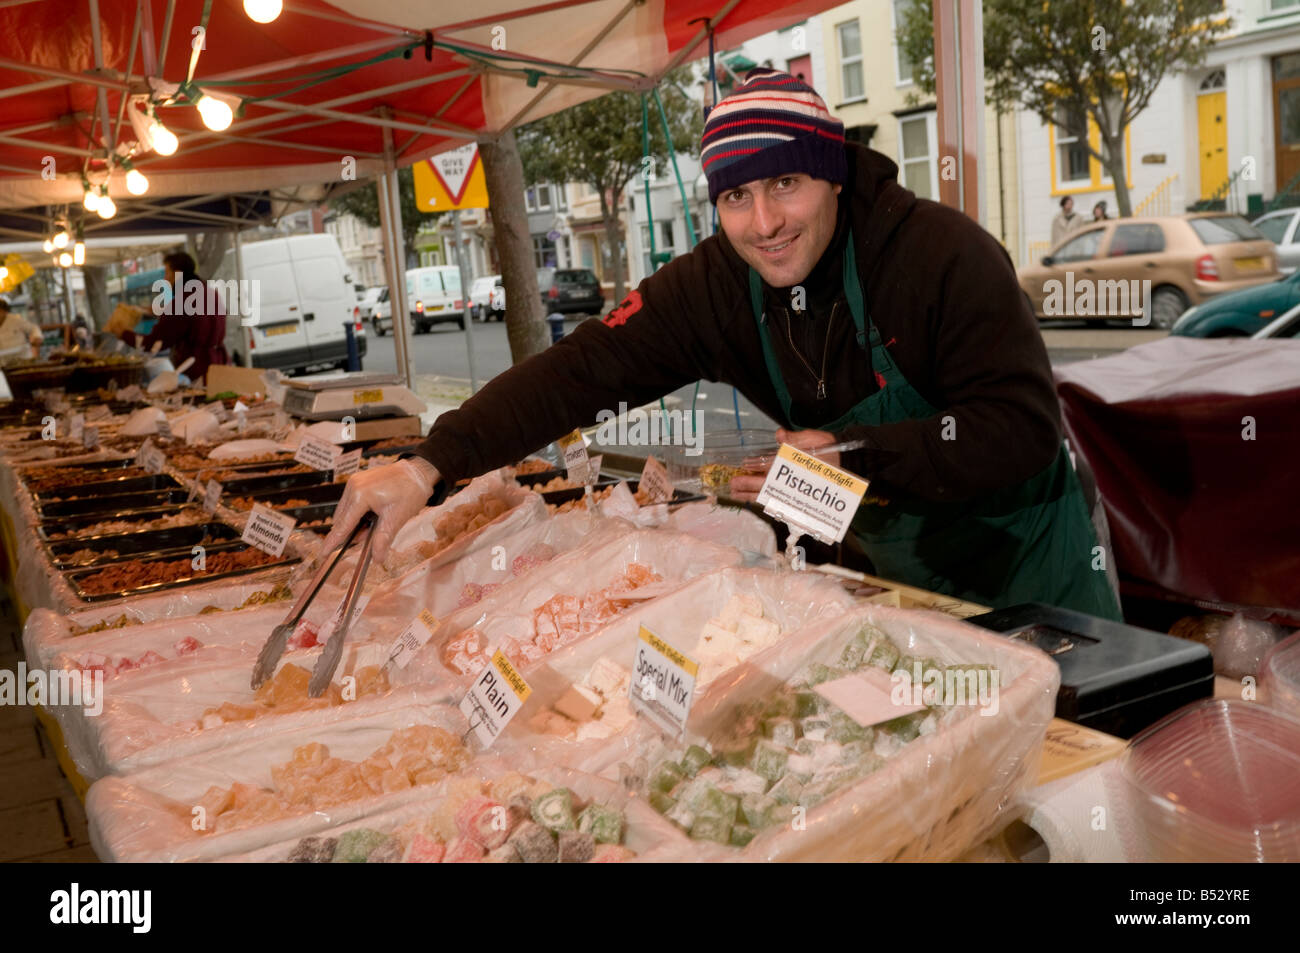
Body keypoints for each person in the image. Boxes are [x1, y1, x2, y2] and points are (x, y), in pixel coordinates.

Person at [326, 67, 1121, 619]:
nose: (765, 224)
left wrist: (853, 454)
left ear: (833, 176)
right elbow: (581, 370)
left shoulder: (943, 256)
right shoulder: (709, 287)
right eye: (736, 197)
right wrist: (432, 461)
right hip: (900, 580)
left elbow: (1019, 427)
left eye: (786, 184)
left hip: (1030, 567)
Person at [114, 251, 228, 381]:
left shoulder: (182, 302)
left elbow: (153, 343)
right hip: (220, 365)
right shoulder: (210, 293)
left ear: (178, 274)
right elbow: (193, 320)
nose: (165, 279)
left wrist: (123, 333)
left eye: (167, 273)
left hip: (198, 372)